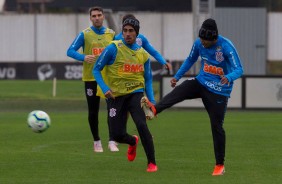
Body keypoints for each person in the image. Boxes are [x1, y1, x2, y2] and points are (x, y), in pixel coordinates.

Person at [141, 18, 243, 175]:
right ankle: (154, 109)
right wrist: (177, 76)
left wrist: (228, 77)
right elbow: (190, 59)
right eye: (201, 39)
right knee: (180, 90)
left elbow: (239, 69)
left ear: (214, 38)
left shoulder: (226, 47)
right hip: (201, 82)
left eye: (206, 41)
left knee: (217, 127)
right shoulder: (198, 43)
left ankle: (219, 165)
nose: (203, 43)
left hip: (219, 91)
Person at [93, 17, 158, 172]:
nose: (127, 34)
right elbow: (96, 69)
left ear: (137, 34)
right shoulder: (113, 48)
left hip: (136, 94)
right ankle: (132, 142)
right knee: (117, 135)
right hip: (115, 96)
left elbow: (148, 79)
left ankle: (152, 163)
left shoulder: (143, 54)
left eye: (131, 31)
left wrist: (152, 101)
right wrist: (105, 88)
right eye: (125, 30)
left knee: (142, 125)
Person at [66, 6, 119, 152]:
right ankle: (97, 141)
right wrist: (83, 57)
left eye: (99, 15)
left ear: (103, 17)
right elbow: (69, 51)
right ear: (90, 18)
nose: (96, 18)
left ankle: (112, 140)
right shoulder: (85, 34)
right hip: (90, 78)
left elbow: (118, 51)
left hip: (107, 78)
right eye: (94, 16)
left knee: (112, 109)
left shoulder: (111, 34)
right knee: (93, 111)